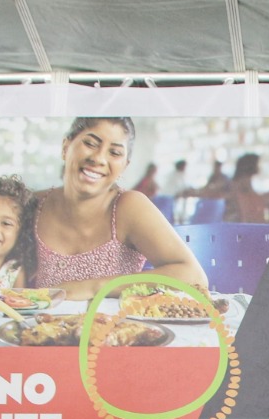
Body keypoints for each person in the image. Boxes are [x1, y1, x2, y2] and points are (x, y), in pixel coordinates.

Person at [26, 117, 208, 300]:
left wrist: (94, 287)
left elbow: (193, 277)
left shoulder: (129, 207)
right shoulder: (33, 204)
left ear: (124, 166)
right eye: (90, 144)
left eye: (114, 152)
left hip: (116, 319)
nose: (99, 159)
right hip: (43, 319)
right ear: (65, 147)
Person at [222, 152, 269, 223]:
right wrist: (264, 198)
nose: (260, 167)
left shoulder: (244, 181)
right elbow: (246, 199)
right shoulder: (240, 182)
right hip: (238, 221)